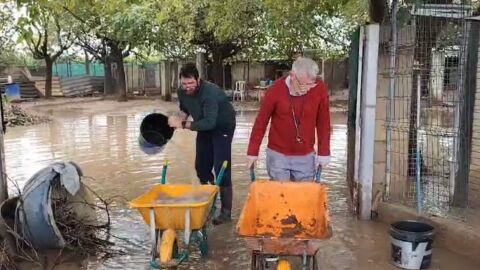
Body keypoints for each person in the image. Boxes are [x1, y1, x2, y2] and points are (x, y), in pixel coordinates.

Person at [168, 63, 236, 225]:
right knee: (201, 167)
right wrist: (179, 118)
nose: (187, 87)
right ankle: (211, 194)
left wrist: (184, 125)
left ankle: (226, 213)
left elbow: (210, 123)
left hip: (222, 127)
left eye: (191, 83)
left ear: (198, 79)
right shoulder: (182, 92)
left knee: (222, 167)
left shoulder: (210, 93)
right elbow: (185, 108)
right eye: (184, 84)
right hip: (203, 125)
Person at [246, 57, 331, 180]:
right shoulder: (275, 90)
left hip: (305, 155)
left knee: (304, 196)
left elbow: (324, 123)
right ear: (292, 76)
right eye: (303, 84)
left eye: (310, 85)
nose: (307, 88)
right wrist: (253, 152)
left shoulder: (319, 88)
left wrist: (324, 152)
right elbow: (261, 122)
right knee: (281, 195)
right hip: (278, 155)